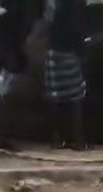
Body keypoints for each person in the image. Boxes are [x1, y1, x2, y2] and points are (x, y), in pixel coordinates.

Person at [43, 0, 88, 150]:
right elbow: (79, 28)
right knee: (76, 97)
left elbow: (47, 21)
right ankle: (77, 139)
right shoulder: (77, 5)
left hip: (54, 50)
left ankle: (56, 139)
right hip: (70, 52)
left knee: (55, 97)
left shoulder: (54, 4)